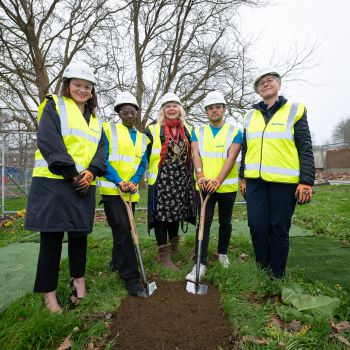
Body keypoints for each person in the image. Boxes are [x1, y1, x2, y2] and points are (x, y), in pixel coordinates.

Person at [25, 62, 106, 313]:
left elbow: (101, 152)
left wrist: (91, 173)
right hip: (55, 183)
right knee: (52, 238)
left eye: (87, 87)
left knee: (79, 235)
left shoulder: (95, 120)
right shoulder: (53, 106)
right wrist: (73, 174)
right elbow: (50, 142)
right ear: (68, 85)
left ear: (92, 91)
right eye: (77, 85)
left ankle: (78, 280)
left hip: (83, 184)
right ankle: (49, 295)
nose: (82, 90)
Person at [239, 68, 315, 279]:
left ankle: (277, 273)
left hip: (284, 183)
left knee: (278, 228)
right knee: (256, 225)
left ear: (279, 85)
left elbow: (305, 147)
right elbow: (247, 149)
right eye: (261, 82)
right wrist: (243, 177)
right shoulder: (249, 116)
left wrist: (307, 181)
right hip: (255, 182)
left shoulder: (295, 110)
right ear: (258, 90)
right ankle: (262, 269)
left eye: (269, 80)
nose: (265, 84)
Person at [96, 91, 149, 298]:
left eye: (132, 110)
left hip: (130, 193)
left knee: (123, 230)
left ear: (136, 113)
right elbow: (103, 159)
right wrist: (118, 181)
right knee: (124, 230)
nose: (129, 113)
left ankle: (116, 262)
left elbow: (142, 163)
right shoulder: (108, 130)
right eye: (124, 110)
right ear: (118, 112)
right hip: (112, 190)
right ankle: (131, 278)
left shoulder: (143, 139)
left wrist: (134, 182)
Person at [186, 90, 242, 282]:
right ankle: (200, 264)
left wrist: (217, 180)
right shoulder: (197, 132)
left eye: (218, 107)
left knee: (225, 222)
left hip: (225, 187)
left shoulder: (235, 132)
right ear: (206, 111)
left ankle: (222, 253)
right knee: (203, 223)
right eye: (210, 108)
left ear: (224, 109)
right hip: (203, 187)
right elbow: (196, 154)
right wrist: (200, 176)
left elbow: (231, 158)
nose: (214, 111)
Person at [145, 92, 196, 271]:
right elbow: (143, 155)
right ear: (163, 110)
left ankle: (174, 248)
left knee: (176, 213)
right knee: (161, 216)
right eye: (168, 106)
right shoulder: (152, 129)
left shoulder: (188, 128)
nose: (171, 109)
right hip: (162, 179)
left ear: (179, 109)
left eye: (175, 106)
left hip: (181, 178)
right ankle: (163, 255)